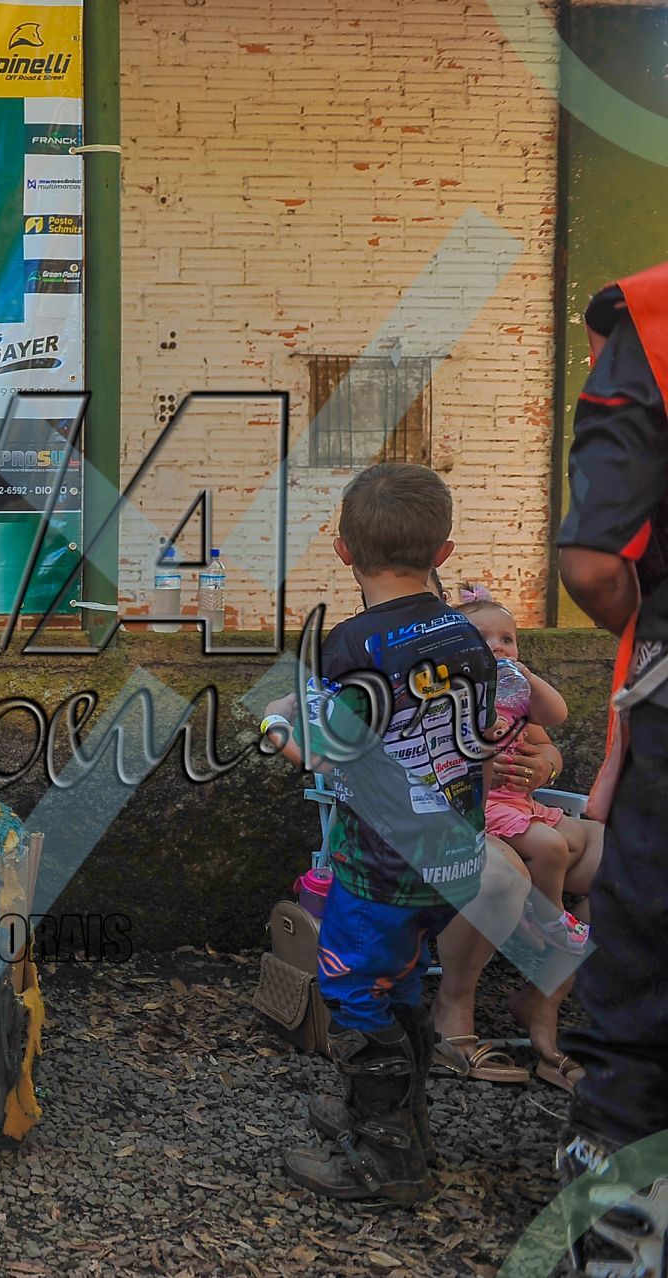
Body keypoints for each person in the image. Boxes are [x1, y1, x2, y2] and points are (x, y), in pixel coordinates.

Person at [259, 462, 502, 1204]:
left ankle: (385, 1158)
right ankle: (403, 1118)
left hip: (383, 864)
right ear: (443, 551)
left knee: (355, 987)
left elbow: (330, 755)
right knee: (403, 975)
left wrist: (276, 728)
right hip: (455, 856)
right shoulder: (469, 634)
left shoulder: (354, 647)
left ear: (343, 551)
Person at [553, 260, 668, 1276]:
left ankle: (620, 1239)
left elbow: (593, 562)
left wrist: (649, 632)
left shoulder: (652, 323)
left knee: (638, 996)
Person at [457, 588, 593, 952]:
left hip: (519, 802)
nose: (498, 647)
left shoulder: (514, 695)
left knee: (574, 837)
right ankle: (552, 917)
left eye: (507, 639)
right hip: (485, 806)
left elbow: (556, 716)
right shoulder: (458, 696)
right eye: (483, 639)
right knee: (551, 847)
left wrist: (530, 681)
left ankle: (528, 908)